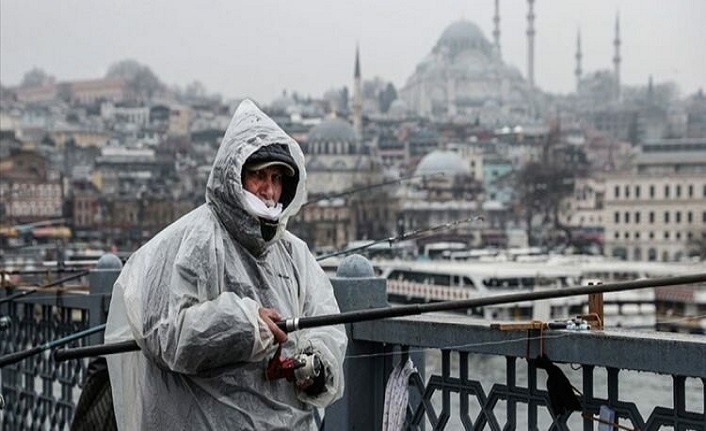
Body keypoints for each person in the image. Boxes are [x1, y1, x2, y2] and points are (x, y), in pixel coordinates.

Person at [104, 99, 348, 430]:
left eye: (276, 178)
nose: (269, 190)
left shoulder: (294, 254)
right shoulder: (194, 240)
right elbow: (163, 332)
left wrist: (316, 367)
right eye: (259, 175)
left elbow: (325, 325)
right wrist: (245, 325)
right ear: (234, 175)